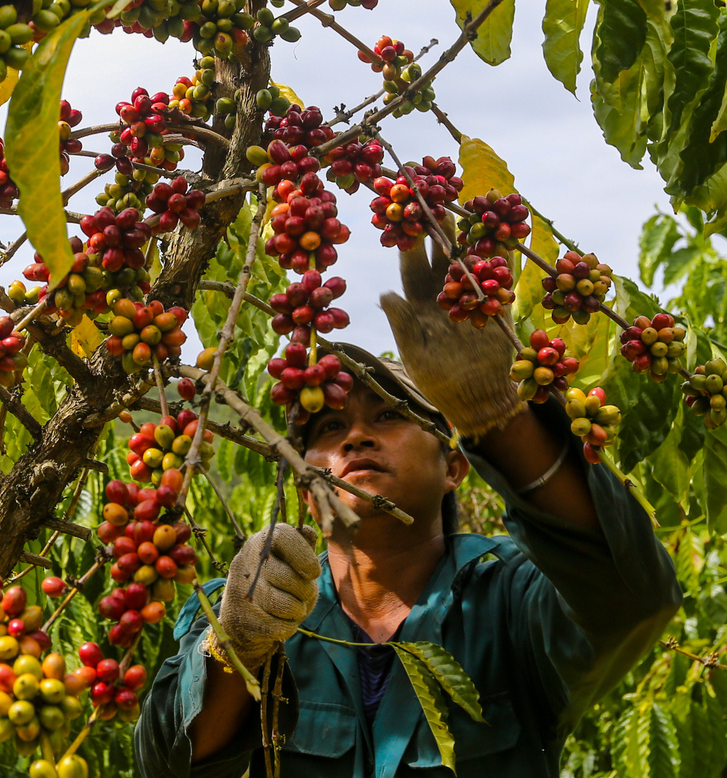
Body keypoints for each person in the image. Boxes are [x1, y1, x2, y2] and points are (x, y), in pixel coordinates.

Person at [133, 227, 683, 776]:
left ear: (455, 466)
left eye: (390, 415)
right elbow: (164, 764)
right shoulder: (239, 604)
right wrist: (237, 648)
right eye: (328, 427)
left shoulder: (510, 599)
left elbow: (629, 595)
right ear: (305, 486)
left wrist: (497, 414)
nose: (355, 438)